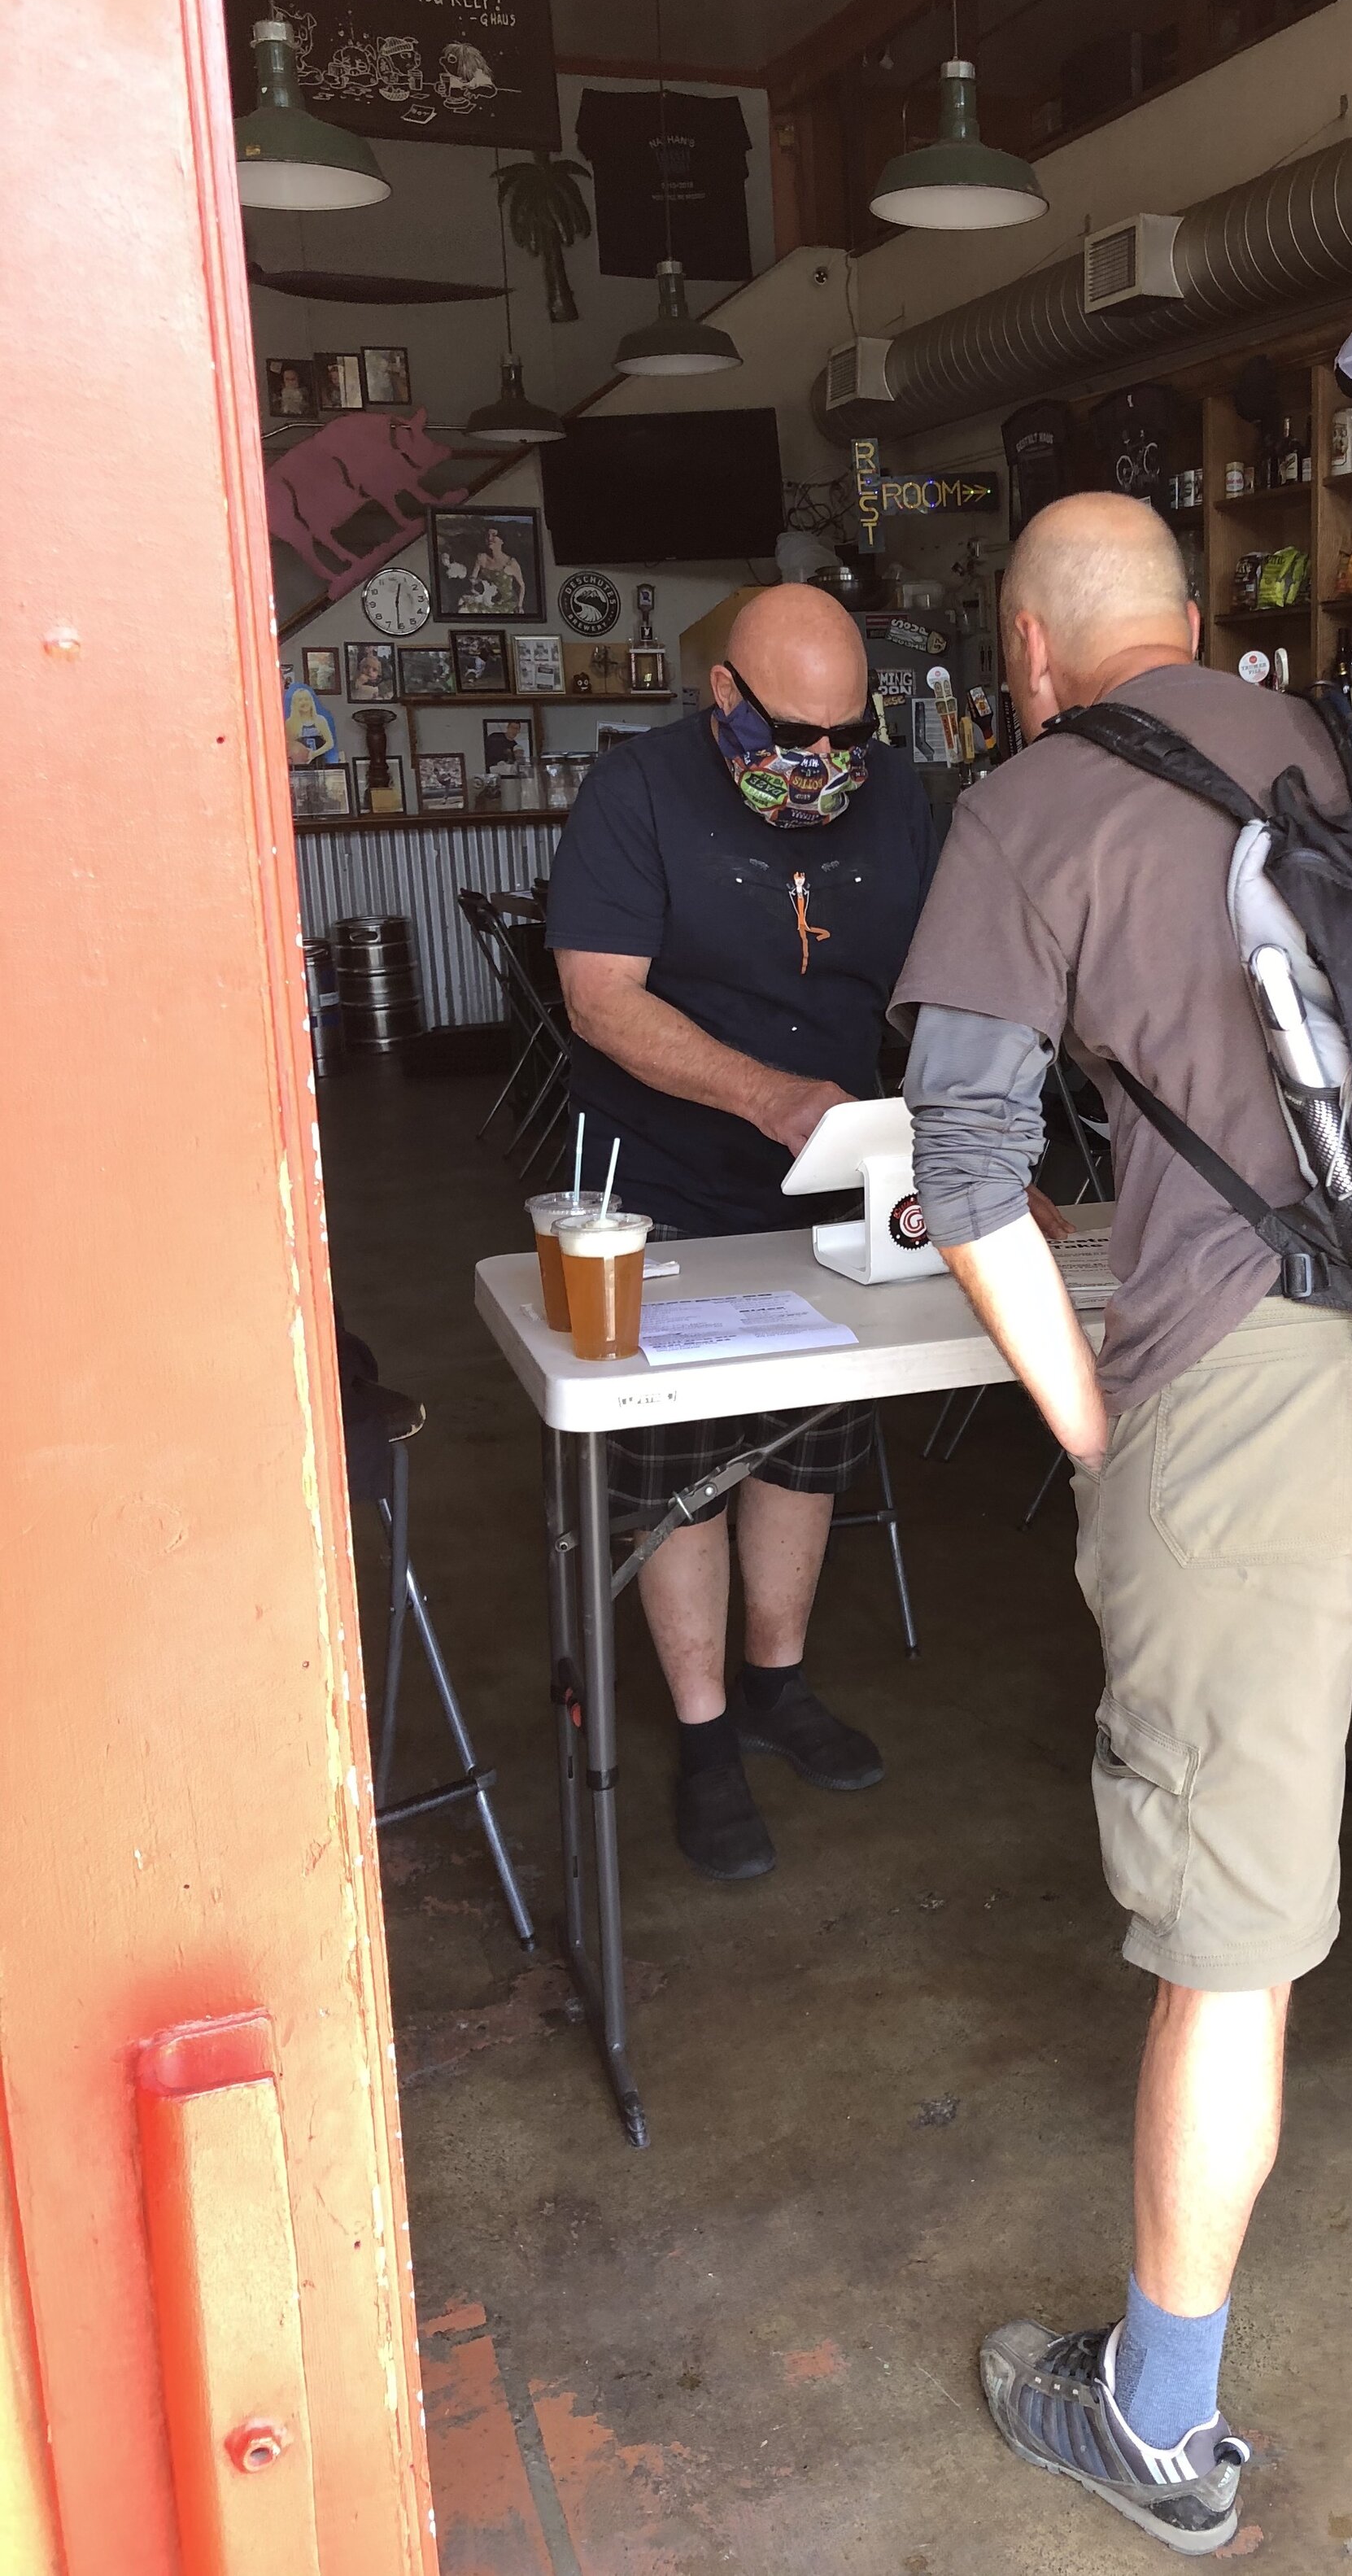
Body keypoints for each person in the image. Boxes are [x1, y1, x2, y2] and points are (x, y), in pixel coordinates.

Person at [896, 494, 1352, 2555]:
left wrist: (1104, 1429)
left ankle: (1159, 2411)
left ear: (1031, 652)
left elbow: (960, 1178)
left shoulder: (1033, 802)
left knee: (1231, 1941)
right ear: (1201, 625)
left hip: (1244, 1395)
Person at [545, 584, 936, 1881]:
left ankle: (778, 1684)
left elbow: (937, 989)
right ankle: (705, 1738)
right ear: (725, 694)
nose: (823, 764)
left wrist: (969, 1138)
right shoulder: (639, 793)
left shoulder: (896, 796)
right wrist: (765, 1094)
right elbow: (601, 1000)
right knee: (673, 1458)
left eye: (847, 733)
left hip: (831, 1171)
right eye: (793, 733)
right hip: (661, 1172)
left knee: (806, 1445)